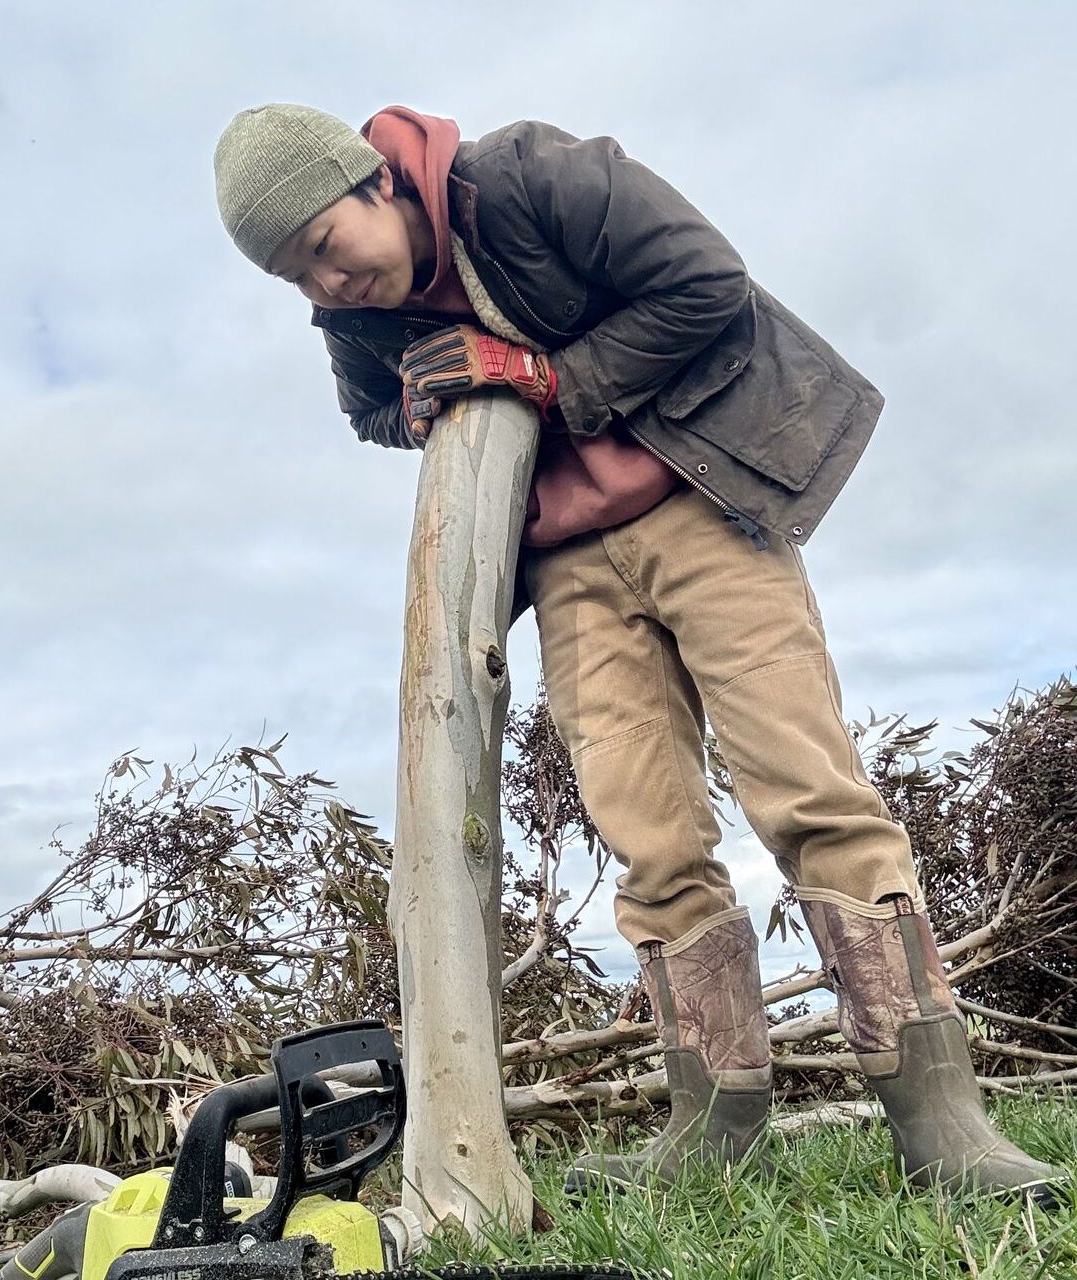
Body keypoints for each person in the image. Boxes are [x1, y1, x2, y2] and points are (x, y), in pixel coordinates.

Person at [211, 103, 1060, 1204]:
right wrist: (425, 400)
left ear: (374, 181)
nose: (324, 287)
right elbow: (371, 411)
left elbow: (706, 283)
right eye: (293, 279)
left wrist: (538, 375)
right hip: (565, 567)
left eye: (322, 247)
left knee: (807, 792)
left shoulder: (523, 178)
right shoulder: (354, 320)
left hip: (698, 508)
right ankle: (713, 1123)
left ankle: (941, 1124)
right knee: (645, 833)